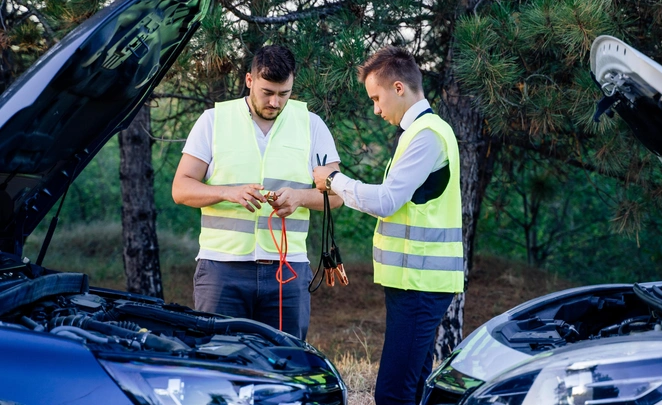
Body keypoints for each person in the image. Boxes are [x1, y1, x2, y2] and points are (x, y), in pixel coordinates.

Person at [313, 46, 463, 405]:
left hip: (420, 285)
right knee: (410, 389)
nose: (376, 109)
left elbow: (386, 201)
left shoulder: (426, 135)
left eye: (377, 98)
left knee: (393, 394)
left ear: (399, 88)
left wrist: (334, 180)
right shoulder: (422, 132)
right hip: (415, 283)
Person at [172, 44, 342, 340]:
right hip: (221, 270)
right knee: (220, 361)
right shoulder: (213, 121)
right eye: (267, 92)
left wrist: (300, 197)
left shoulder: (312, 126)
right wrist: (227, 192)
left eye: (284, 93)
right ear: (249, 80)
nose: (275, 102)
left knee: (285, 365)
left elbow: (337, 195)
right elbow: (181, 188)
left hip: (287, 272)